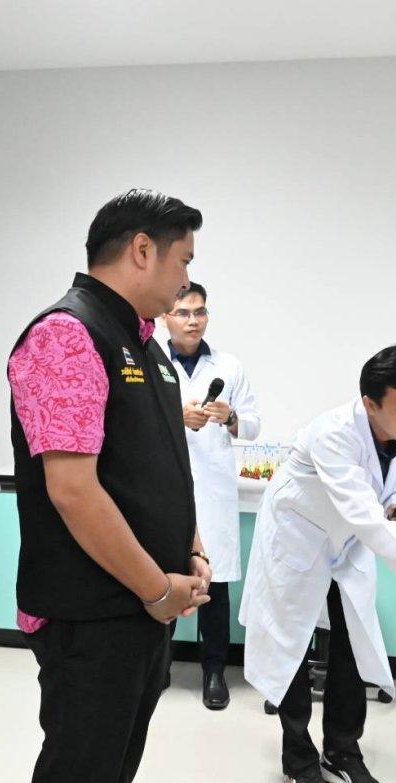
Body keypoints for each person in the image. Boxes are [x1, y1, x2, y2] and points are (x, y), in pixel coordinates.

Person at [8, 189, 212, 783]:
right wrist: (156, 588)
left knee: (108, 782)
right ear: (142, 250)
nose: (186, 277)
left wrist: (190, 547)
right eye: (183, 260)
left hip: (140, 610)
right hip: (92, 614)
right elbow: (73, 490)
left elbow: (157, 464)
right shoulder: (68, 335)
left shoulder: (145, 344)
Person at [240, 344, 396, 783]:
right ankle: (298, 761)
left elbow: (392, 492)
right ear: (370, 403)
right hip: (297, 537)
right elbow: (363, 512)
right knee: (290, 644)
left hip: (348, 543)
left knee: (354, 640)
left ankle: (343, 751)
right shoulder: (333, 434)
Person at [164, 282, 260, 710]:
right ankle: (158, 666)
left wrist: (231, 416)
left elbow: (253, 425)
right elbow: (130, 417)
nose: (193, 321)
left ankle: (215, 672)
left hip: (214, 486)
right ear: (165, 317)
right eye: (183, 312)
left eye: (200, 312)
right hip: (167, 482)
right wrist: (177, 415)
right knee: (162, 577)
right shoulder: (150, 361)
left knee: (214, 585)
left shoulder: (229, 366)